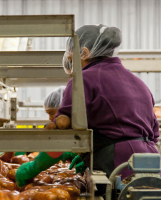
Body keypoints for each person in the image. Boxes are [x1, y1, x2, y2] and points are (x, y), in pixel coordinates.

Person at [16, 24, 160, 188]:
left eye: (71, 59)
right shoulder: (138, 82)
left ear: (83, 52)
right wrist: (92, 152)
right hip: (152, 164)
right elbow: (153, 135)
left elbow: (60, 137)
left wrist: (32, 168)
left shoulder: (84, 79)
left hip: (118, 167)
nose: (71, 64)